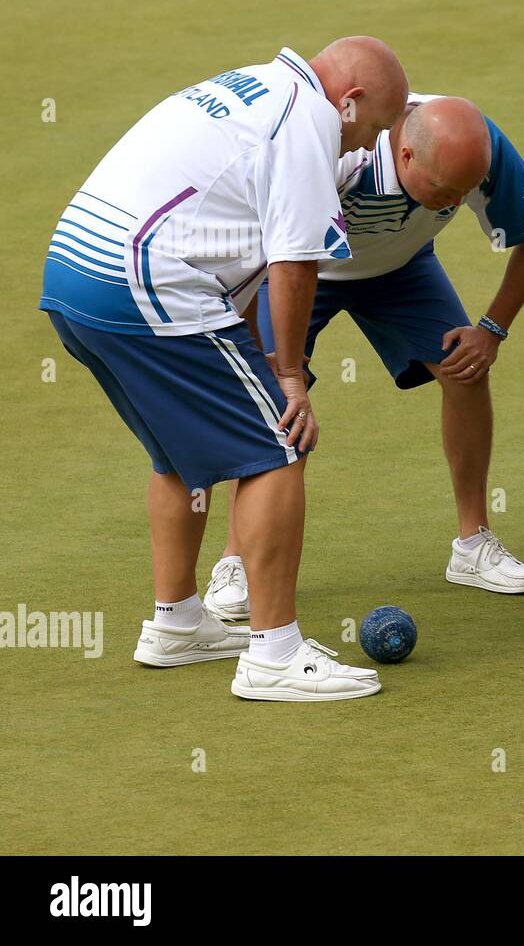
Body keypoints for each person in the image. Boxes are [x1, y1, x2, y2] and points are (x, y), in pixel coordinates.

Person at [39, 38, 409, 701]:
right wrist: (289, 377)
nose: (365, 146)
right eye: (374, 129)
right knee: (279, 442)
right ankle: (274, 654)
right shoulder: (307, 121)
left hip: (73, 274)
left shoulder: (256, 86)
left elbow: (226, 231)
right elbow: (295, 260)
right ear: (349, 104)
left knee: (177, 452)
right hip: (142, 283)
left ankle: (178, 623)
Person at [203, 93, 524, 617]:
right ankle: (236, 561)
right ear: (406, 157)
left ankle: (473, 543)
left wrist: (492, 330)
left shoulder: (479, 148)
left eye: (458, 197)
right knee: (273, 401)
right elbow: (260, 247)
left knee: (465, 372)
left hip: (403, 268)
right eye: (439, 190)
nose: (448, 203)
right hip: (302, 270)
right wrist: (270, 355)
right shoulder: (339, 154)